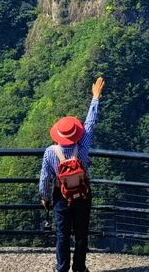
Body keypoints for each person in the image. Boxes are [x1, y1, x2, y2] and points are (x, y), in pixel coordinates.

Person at [39, 76, 104, 272]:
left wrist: (45, 197)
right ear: (76, 133)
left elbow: (45, 178)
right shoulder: (82, 146)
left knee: (62, 234)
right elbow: (90, 123)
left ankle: (61, 268)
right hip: (82, 194)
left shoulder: (51, 152)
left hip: (61, 196)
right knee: (81, 233)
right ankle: (79, 269)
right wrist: (95, 98)